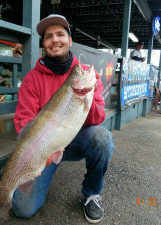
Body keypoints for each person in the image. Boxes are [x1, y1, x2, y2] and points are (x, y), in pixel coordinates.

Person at [12, 14, 114, 224]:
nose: (55, 40)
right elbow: (24, 121)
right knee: (22, 209)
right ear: (44, 44)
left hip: (75, 140)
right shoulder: (32, 79)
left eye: (60, 34)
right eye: (49, 37)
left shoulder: (85, 74)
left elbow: (98, 118)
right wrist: (36, 155)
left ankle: (92, 193)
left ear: (70, 40)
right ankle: (12, 180)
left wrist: (86, 98)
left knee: (102, 138)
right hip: (45, 146)